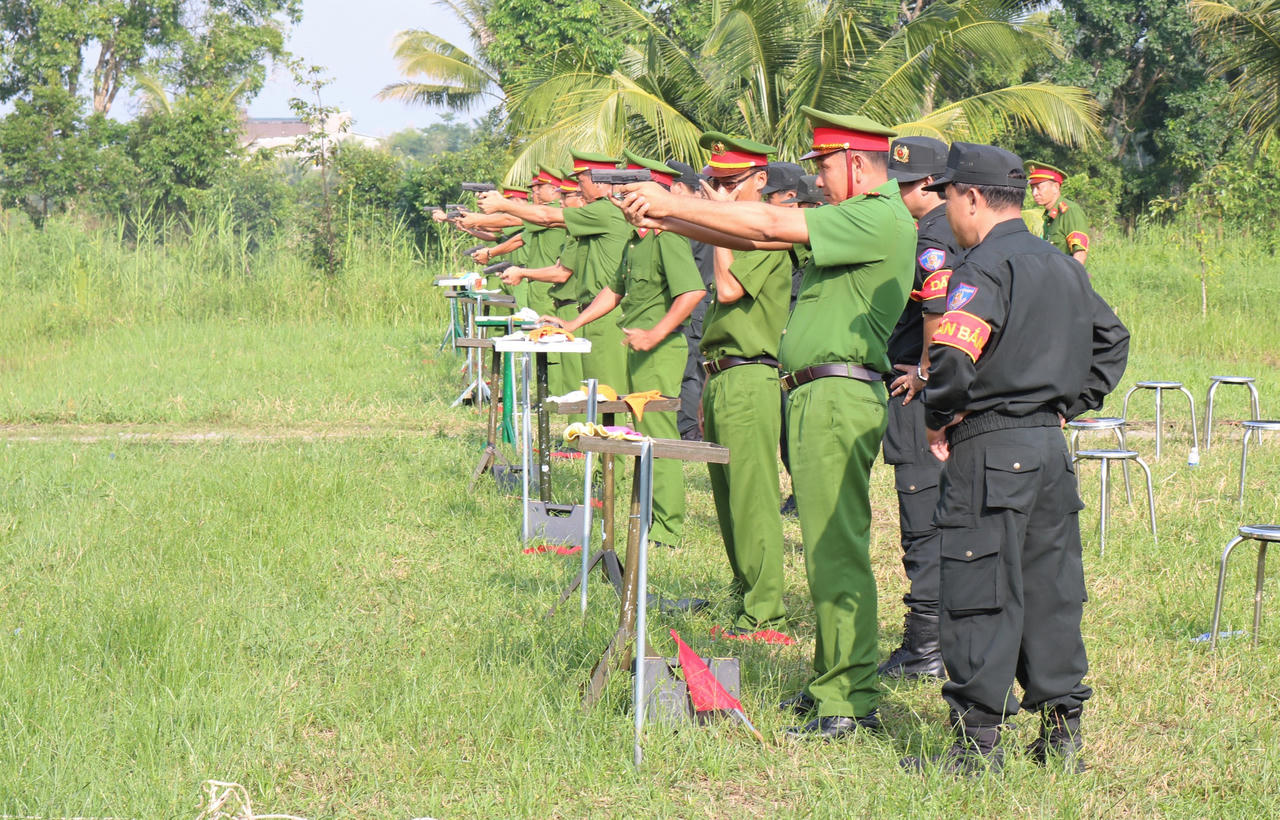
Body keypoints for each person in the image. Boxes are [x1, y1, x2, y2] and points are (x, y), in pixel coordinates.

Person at [616, 106, 915, 739]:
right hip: (817, 393)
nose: (818, 179)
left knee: (836, 552)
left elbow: (769, 219)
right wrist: (673, 212)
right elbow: (756, 237)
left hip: (838, 394)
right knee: (825, 551)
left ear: (856, 164)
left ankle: (850, 697)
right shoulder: (860, 213)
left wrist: (673, 204)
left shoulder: (875, 213)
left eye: (824, 166)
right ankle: (831, 680)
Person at [905, 142, 1129, 775]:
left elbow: (949, 357)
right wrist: (1069, 404)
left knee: (980, 587)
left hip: (991, 448)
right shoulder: (1063, 266)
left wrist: (940, 414)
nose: (945, 209)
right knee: (1050, 588)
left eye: (948, 196)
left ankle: (977, 748)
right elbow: (1112, 341)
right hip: (1049, 452)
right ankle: (1061, 735)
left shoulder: (980, 267)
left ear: (972, 197)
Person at [551, 152, 706, 548]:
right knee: (639, 435)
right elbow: (614, 291)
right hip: (638, 349)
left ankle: (667, 529)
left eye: (624, 195)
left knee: (655, 435)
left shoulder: (666, 238)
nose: (618, 202)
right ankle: (649, 517)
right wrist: (573, 323)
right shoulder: (635, 244)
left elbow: (692, 292)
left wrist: (654, 335)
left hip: (660, 351)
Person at [691, 133, 793, 643]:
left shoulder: (764, 235)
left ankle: (765, 611)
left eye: (732, 184)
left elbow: (729, 289)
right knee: (728, 497)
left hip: (751, 372)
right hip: (722, 372)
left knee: (752, 496)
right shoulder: (738, 231)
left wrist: (718, 223)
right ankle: (744, 594)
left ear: (760, 180)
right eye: (715, 183)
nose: (721, 192)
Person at [878, 136, 962, 680]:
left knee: (920, 510)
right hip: (936, 384)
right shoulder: (944, 229)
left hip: (919, 389)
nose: (900, 193)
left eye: (905, 184)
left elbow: (936, 309)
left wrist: (925, 370)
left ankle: (925, 645)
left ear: (927, 185)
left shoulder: (933, 235)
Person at [667, 159, 715, 441]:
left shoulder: (690, 220)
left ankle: (689, 431)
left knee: (690, 372)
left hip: (695, 300)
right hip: (703, 298)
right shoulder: (708, 214)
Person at [1026, 161, 1089, 265]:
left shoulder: (1069, 211)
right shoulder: (1049, 216)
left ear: (1055, 187)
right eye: (1032, 188)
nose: (1034, 193)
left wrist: (1070, 279)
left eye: (1038, 188)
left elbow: (1080, 254)